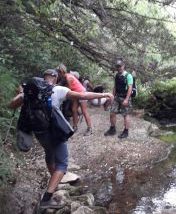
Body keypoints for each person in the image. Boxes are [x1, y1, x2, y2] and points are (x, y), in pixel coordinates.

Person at [9, 69, 113, 209]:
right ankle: (46, 199)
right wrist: (104, 94)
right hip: (54, 131)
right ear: (56, 78)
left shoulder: (30, 90)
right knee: (62, 165)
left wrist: (22, 93)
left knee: (49, 153)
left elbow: (11, 105)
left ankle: (53, 182)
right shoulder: (57, 89)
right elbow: (82, 95)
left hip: (38, 131)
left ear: (43, 77)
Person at [56, 64, 93, 136]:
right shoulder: (65, 77)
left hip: (81, 93)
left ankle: (89, 128)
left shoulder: (68, 77)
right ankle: (75, 126)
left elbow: (69, 89)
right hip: (76, 93)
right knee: (74, 109)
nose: (58, 74)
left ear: (62, 72)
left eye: (59, 72)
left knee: (84, 111)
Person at [104, 60, 133, 139]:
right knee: (112, 112)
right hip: (117, 97)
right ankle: (112, 129)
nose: (119, 68)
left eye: (120, 66)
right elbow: (115, 87)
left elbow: (130, 88)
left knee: (126, 114)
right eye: (117, 66)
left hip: (125, 97)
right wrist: (112, 97)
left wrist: (126, 99)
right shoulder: (117, 75)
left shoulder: (128, 75)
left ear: (123, 66)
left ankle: (126, 131)